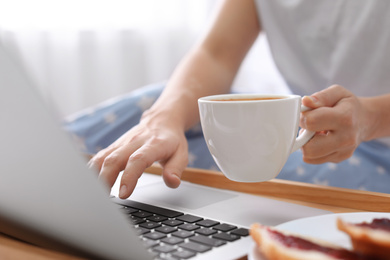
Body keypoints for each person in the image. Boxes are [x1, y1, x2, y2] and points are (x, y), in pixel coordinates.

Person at [66, 0, 390, 197]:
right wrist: (163, 119)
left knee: (175, 169)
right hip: (310, 130)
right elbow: (216, 54)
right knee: (147, 120)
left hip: (380, 151)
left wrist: (368, 119)